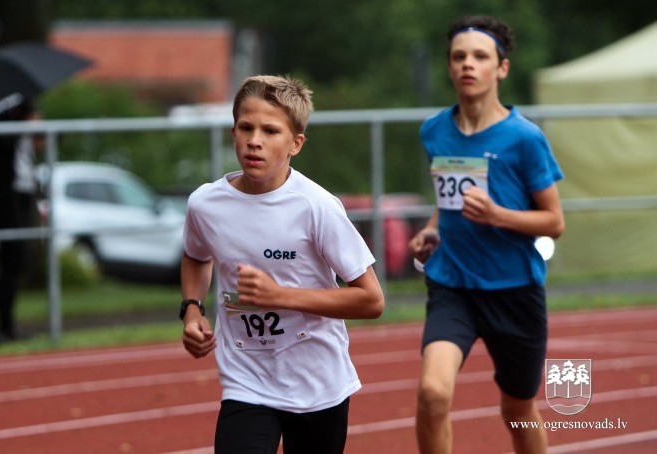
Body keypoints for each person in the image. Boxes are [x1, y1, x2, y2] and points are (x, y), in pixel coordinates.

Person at [180, 75, 385, 454]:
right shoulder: (205, 204)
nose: (254, 140)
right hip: (246, 380)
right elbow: (196, 255)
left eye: (270, 131)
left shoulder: (317, 207)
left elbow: (371, 300)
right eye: (246, 128)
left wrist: (281, 296)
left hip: (318, 384)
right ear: (233, 133)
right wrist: (192, 309)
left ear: (296, 143)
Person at [409, 16, 565, 454]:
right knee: (433, 393)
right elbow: (448, 197)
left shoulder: (525, 138)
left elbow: (554, 222)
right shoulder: (434, 130)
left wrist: (497, 215)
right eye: (459, 56)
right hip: (453, 287)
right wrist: (432, 228)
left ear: (502, 68)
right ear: (449, 66)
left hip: (514, 291)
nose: (468, 64)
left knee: (518, 409)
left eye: (480, 56)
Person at [0, 98, 41, 344]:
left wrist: (34, 127)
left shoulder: (24, 117)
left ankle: (6, 324)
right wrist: (22, 124)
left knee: (16, 262)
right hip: (3, 196)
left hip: (23, 193)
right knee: (14, 259)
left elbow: (42, 144)